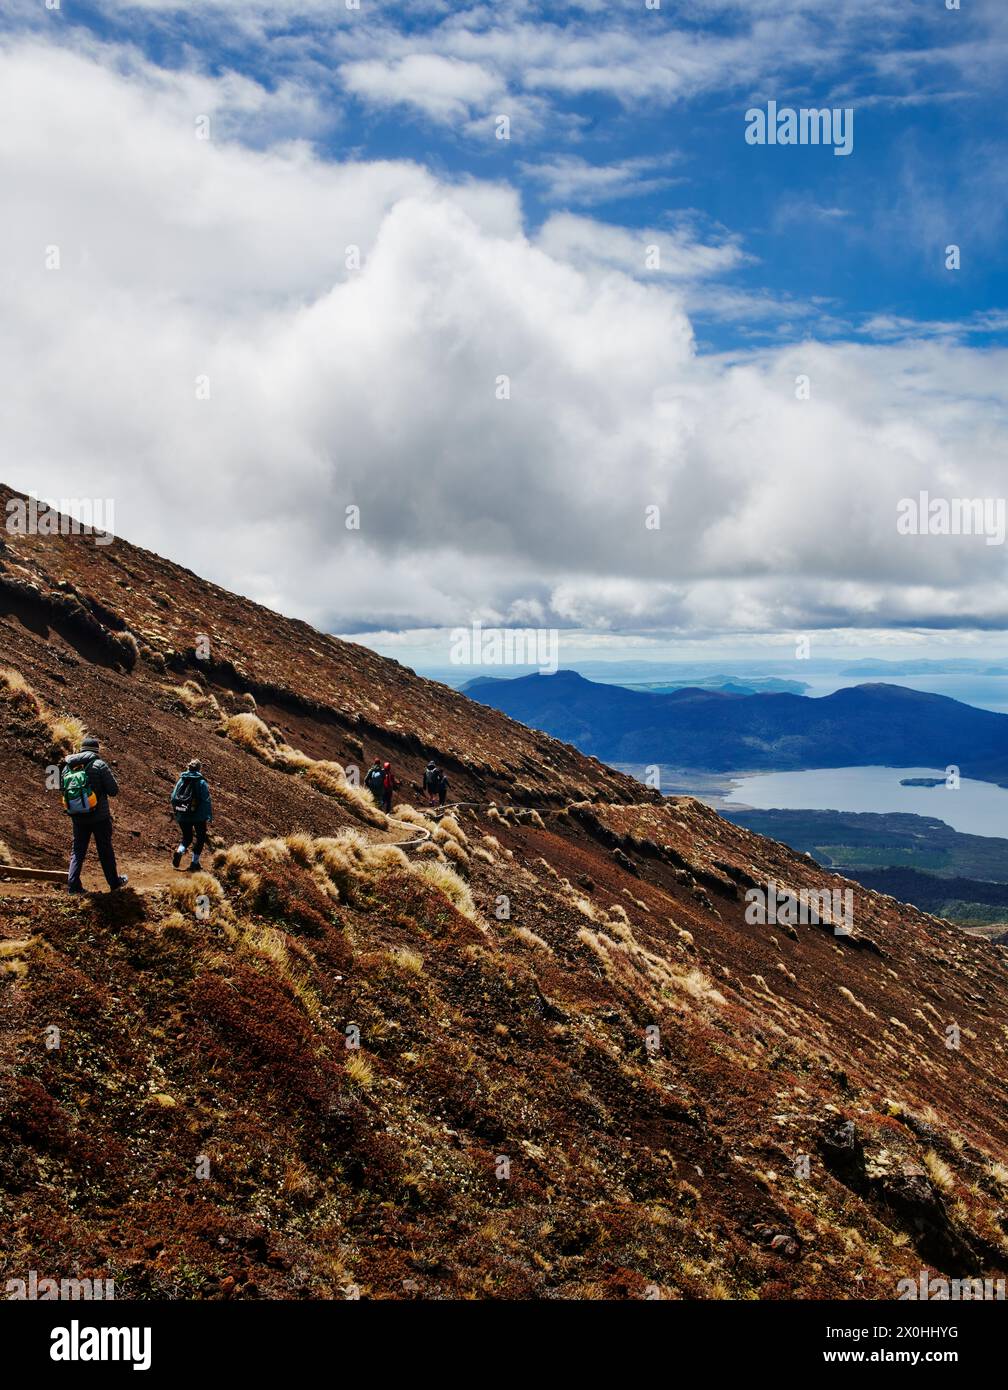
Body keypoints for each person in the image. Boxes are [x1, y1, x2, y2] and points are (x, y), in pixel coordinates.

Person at [62, 734, 128, 894]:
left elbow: (63, 790)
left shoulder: (67, 767)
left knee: (78, 850)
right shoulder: (99, 765)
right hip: (100, 817)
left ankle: (73, 886)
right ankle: (114, 883)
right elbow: (114, 790)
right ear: (96, 750)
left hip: (77, 817)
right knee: (104, 849)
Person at [171, 759, 213, 871]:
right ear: (199, 769)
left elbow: (173, 797)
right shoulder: (201, 782)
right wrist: (208, 815)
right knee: (200, 838)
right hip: (198, 816)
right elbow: (206, 800)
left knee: (187, 837)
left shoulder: (181, 780)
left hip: (183, 813)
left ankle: (180, 851)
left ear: (188, 768)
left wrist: (177, 811)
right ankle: (195, 863)